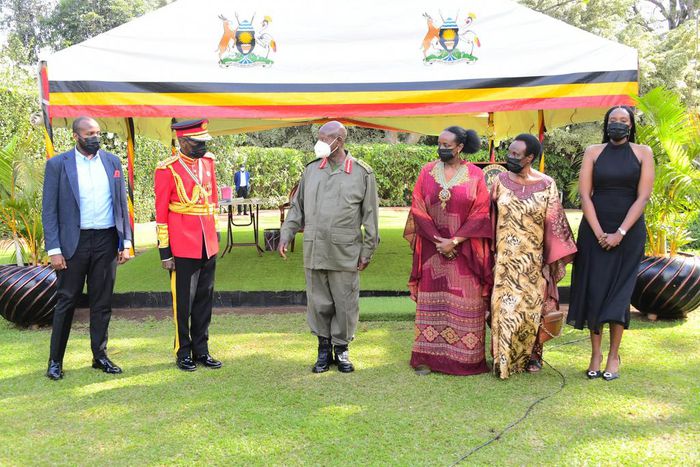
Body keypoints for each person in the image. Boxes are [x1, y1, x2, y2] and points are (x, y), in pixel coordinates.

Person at [278, 121, 379, 373]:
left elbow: (371, 218)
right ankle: (323, 348)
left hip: (345, 251)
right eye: (319, 136)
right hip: (314, 249)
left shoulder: (361, 173)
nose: (320, 141)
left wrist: (367, 251)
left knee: (345, 303)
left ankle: (342, 348)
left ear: (339, 141)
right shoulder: (311, 171)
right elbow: (297, 208)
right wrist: (286, 233)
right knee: (318, 302)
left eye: (325, 137)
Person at [42, 116, 133, 380]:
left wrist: (125, 242)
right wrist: (54, 249)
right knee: (66, 301)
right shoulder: (58, 165)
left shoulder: (112, 162)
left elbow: (120, 203)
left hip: (106, 241)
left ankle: (100, 356)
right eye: (89, 133)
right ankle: (55, 361)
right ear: (76, 136)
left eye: (98, 133)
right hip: (73, 243)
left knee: (102, 302)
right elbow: (49, 211)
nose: (95, 138)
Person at [568, 106, 654, 381]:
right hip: (594, 231)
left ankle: (614, 355)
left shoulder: (643, 153)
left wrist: (620, 233)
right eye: (613, 120)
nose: (618, 124)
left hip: (628, 233)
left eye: (623, 120)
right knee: (595, 290)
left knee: (619, 294)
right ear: (606, 124)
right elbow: (585, 195)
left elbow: (642, 198)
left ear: (630, 125)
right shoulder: (593, 151)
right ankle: (595, 354)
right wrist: (599, 232)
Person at [403, 126, 493, 376]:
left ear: (460, 147)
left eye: (447, 145)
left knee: (467, 300)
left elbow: (481, 212)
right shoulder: (427, 172)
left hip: (466, 253)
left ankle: (466, 360)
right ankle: (429, 359)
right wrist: (438, 240)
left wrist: (454, 241)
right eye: (439, 144)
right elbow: (418, 207)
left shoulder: (475, 175)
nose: (442, 149)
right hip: (433, 252)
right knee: (433, 301)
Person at [490, 134, 577, 379]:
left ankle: (532, 356)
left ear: (530, 158)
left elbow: (555, 223)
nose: (511, 157)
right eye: (510, 152)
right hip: (505, 262)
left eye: (517, 155)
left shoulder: (547, 184)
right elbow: (489, 219)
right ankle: (503, 361)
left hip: (534, 262)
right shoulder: (499, 181)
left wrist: (550, 263)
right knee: (504, 311)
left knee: (531, 312)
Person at [154, 119, 222, 372]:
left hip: (207, 242)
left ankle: (201, 350)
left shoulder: (209, 163)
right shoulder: (167, 169)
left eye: (204, 142)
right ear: (183, 141)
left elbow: (213, 201)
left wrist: (214, 236)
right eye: (198, 143)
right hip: (182, 243)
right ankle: (183, 351)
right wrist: (164, 251)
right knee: (183, 302)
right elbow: (161, 212)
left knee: (204, 299)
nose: (203, 147)